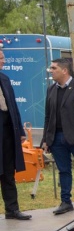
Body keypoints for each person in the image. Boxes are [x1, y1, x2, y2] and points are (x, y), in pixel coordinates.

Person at [41, 58, 74, 217]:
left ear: (64, 71)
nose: (51, 70)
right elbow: (48, 116)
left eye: (54, 68)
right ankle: (66, 202)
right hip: (57, 137)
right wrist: (46, 139)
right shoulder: (51, 89)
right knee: (63, 171)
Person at [0, 50, 31, 220]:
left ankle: (12, 209)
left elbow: (13, 107)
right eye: (1, 58)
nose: (3, 61)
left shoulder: (4, 79)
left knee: (8, 171)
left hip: (7, 132)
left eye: (3, 58)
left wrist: (19, 130)